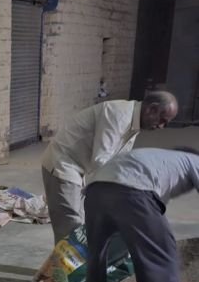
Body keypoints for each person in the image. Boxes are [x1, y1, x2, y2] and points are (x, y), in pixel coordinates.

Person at [83, 147, 199, 282]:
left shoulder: (158, 161)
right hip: (132, 192)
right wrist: (169, 279)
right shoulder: (193, 160)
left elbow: (143, 230)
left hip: (95, 191)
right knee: (161, 265)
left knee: (96, 258)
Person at [41, 91, 178, 244]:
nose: (161, 126)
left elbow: (119, 162)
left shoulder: (134, 122)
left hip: (80, 167)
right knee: (71, 230)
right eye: (162, 120)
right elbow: (100, 160)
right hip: (63, 163)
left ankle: (74, 257)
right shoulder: (118, 115)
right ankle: (65, 259)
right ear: (151, 109)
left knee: (82, 227)